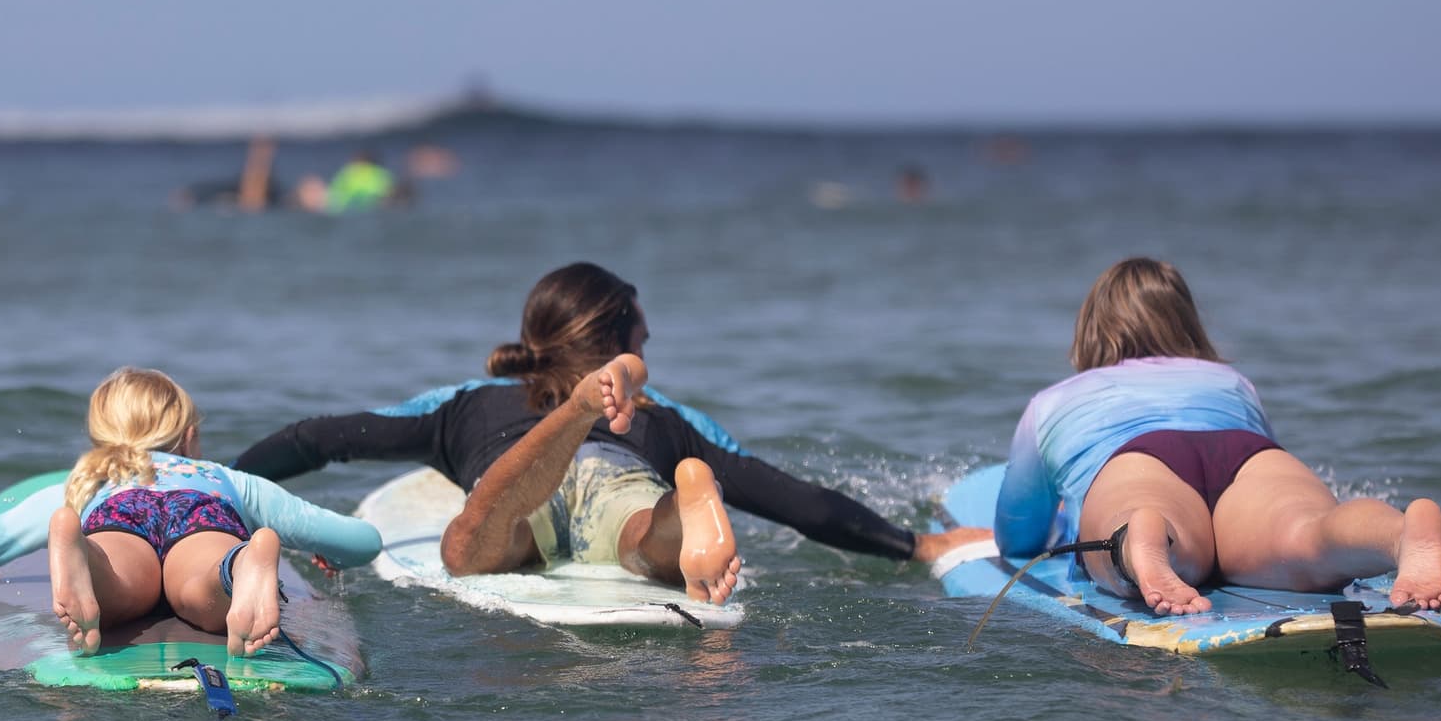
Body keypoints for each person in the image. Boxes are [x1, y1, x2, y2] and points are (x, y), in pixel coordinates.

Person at [232, 263, 991, 605]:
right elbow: (791, 498)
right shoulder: (662, 415)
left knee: (476, 549)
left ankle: (553, 439)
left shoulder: (467, 401)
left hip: (517, 475)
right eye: (642, 339)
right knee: (636, 532)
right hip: (617, 475)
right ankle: (673, 515)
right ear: (618, 341)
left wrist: (227, 491)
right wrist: (914, 546)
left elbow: (318, 438)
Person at [993, 257, 1441, 615]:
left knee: (1146, 527)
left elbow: (1018, 536)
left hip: (1138, 461)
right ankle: (1397, 534)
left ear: (1090, 331)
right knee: (1308, 534)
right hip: (1247, 454)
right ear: (1188, 323)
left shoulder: (1054, 401)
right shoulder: (1233, 382)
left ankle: (1142, 536)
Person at [0, 367, 382, 655]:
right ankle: (241, 565)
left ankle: (83, 556)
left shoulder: (83, 482)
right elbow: (361, 541)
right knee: (204, 585)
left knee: (115, 583)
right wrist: (328, 551)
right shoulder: (229, 480)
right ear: (190, 437)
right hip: (203, 515)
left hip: (120, 517)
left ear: (100, 435)